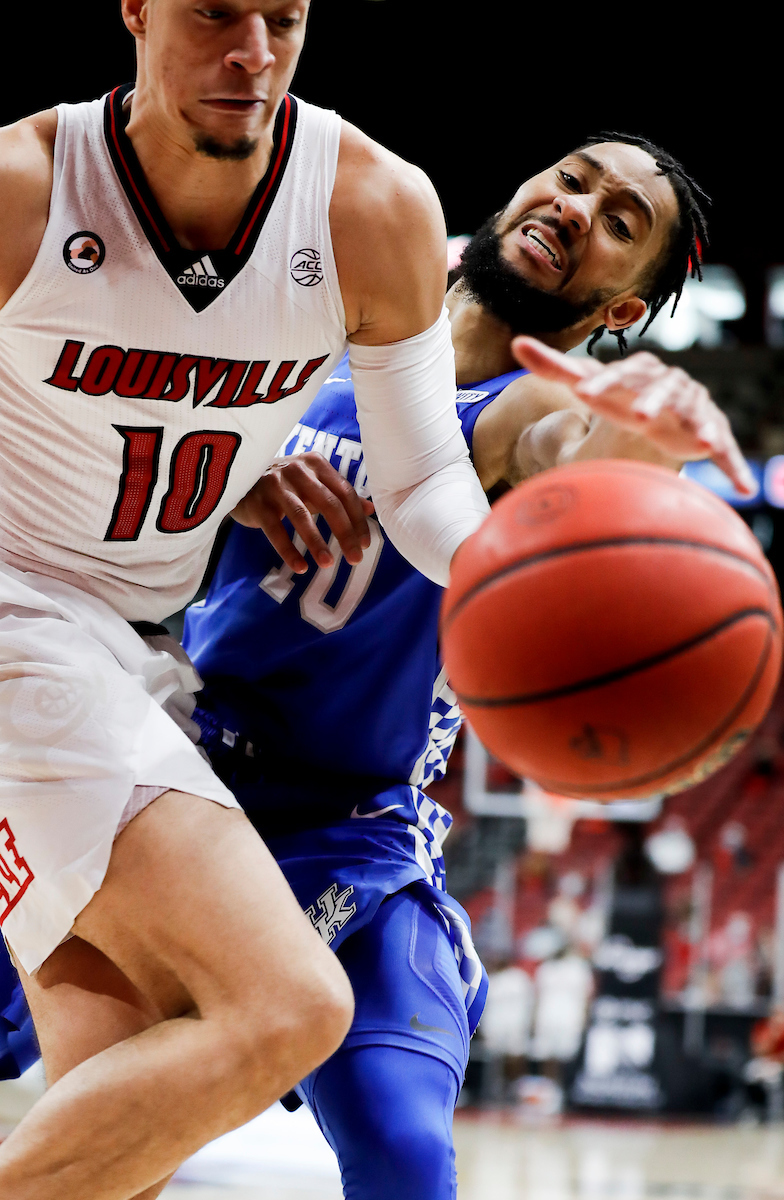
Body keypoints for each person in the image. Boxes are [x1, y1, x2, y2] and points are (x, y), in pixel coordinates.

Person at [0, 0, 516, 1194]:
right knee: (289, 1005)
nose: (252, 53)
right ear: (136, 10)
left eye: (281, 18)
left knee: (117, 1132)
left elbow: (422, 485)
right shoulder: (26, 186)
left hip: (138, 651)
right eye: (215, 14)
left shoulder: (369, 205)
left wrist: (523, 578)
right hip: (22, 619)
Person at [173, 136, 749, 1197]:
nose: (578, 207)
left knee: (402, 1149)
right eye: (573, 179)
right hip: (175, 765)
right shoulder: (342, 308)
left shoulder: (528, 406)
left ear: (621, 308)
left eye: (620, 221)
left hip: (343, 823)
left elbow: (572, 455)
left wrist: (640, 443)